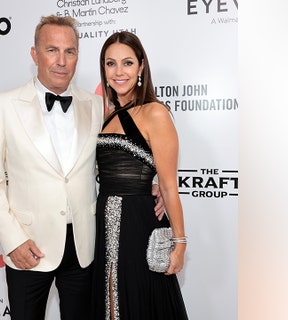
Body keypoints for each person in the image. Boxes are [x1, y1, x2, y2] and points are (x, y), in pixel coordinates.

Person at [0, 16, 164, 320]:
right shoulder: (3, 106)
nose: (62, 61)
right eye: (52, 50)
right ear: (35, 54)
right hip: (28, 247)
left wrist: (153, 184)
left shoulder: (94, 105)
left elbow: (114, 157)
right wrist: (13, 241)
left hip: (84, 247)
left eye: (70, 51)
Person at [90, 31, 189, 320]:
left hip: (139, 223)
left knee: (141, 302)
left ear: (141, 67)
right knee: (110, 299)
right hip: (104, 222)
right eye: (111, 64)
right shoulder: (106, 115)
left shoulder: (155, 113)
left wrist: (179, 244)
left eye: (127, 63)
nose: (119, 72)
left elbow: (169, 186)